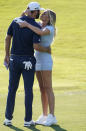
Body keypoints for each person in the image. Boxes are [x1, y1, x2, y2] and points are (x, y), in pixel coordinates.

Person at [3, 2, 51, 127]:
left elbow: (7, 38)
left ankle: (8, 119)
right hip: (28, 60)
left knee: (11, 90)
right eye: (38, 12)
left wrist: (7, 55)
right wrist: (46, 50)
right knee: (28, 90)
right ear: (35, 12)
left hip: (13, 59)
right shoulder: (36, 26)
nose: (39, 13)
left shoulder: (15, 20)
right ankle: (27, 120)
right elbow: (35, 46)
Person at [18, 9, 57, 126]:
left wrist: (27, 24)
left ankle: (52, 116)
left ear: (49, 18)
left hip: (46, 60)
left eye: (45, 14)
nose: (42, 14)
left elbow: (39, 32)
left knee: (48, 87)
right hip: (37, 59)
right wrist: (26, 11)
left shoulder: (50, 28)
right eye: (43, 13)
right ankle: (44, 115)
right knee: (42, 89)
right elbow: (21, 19)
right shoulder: (38, 24)